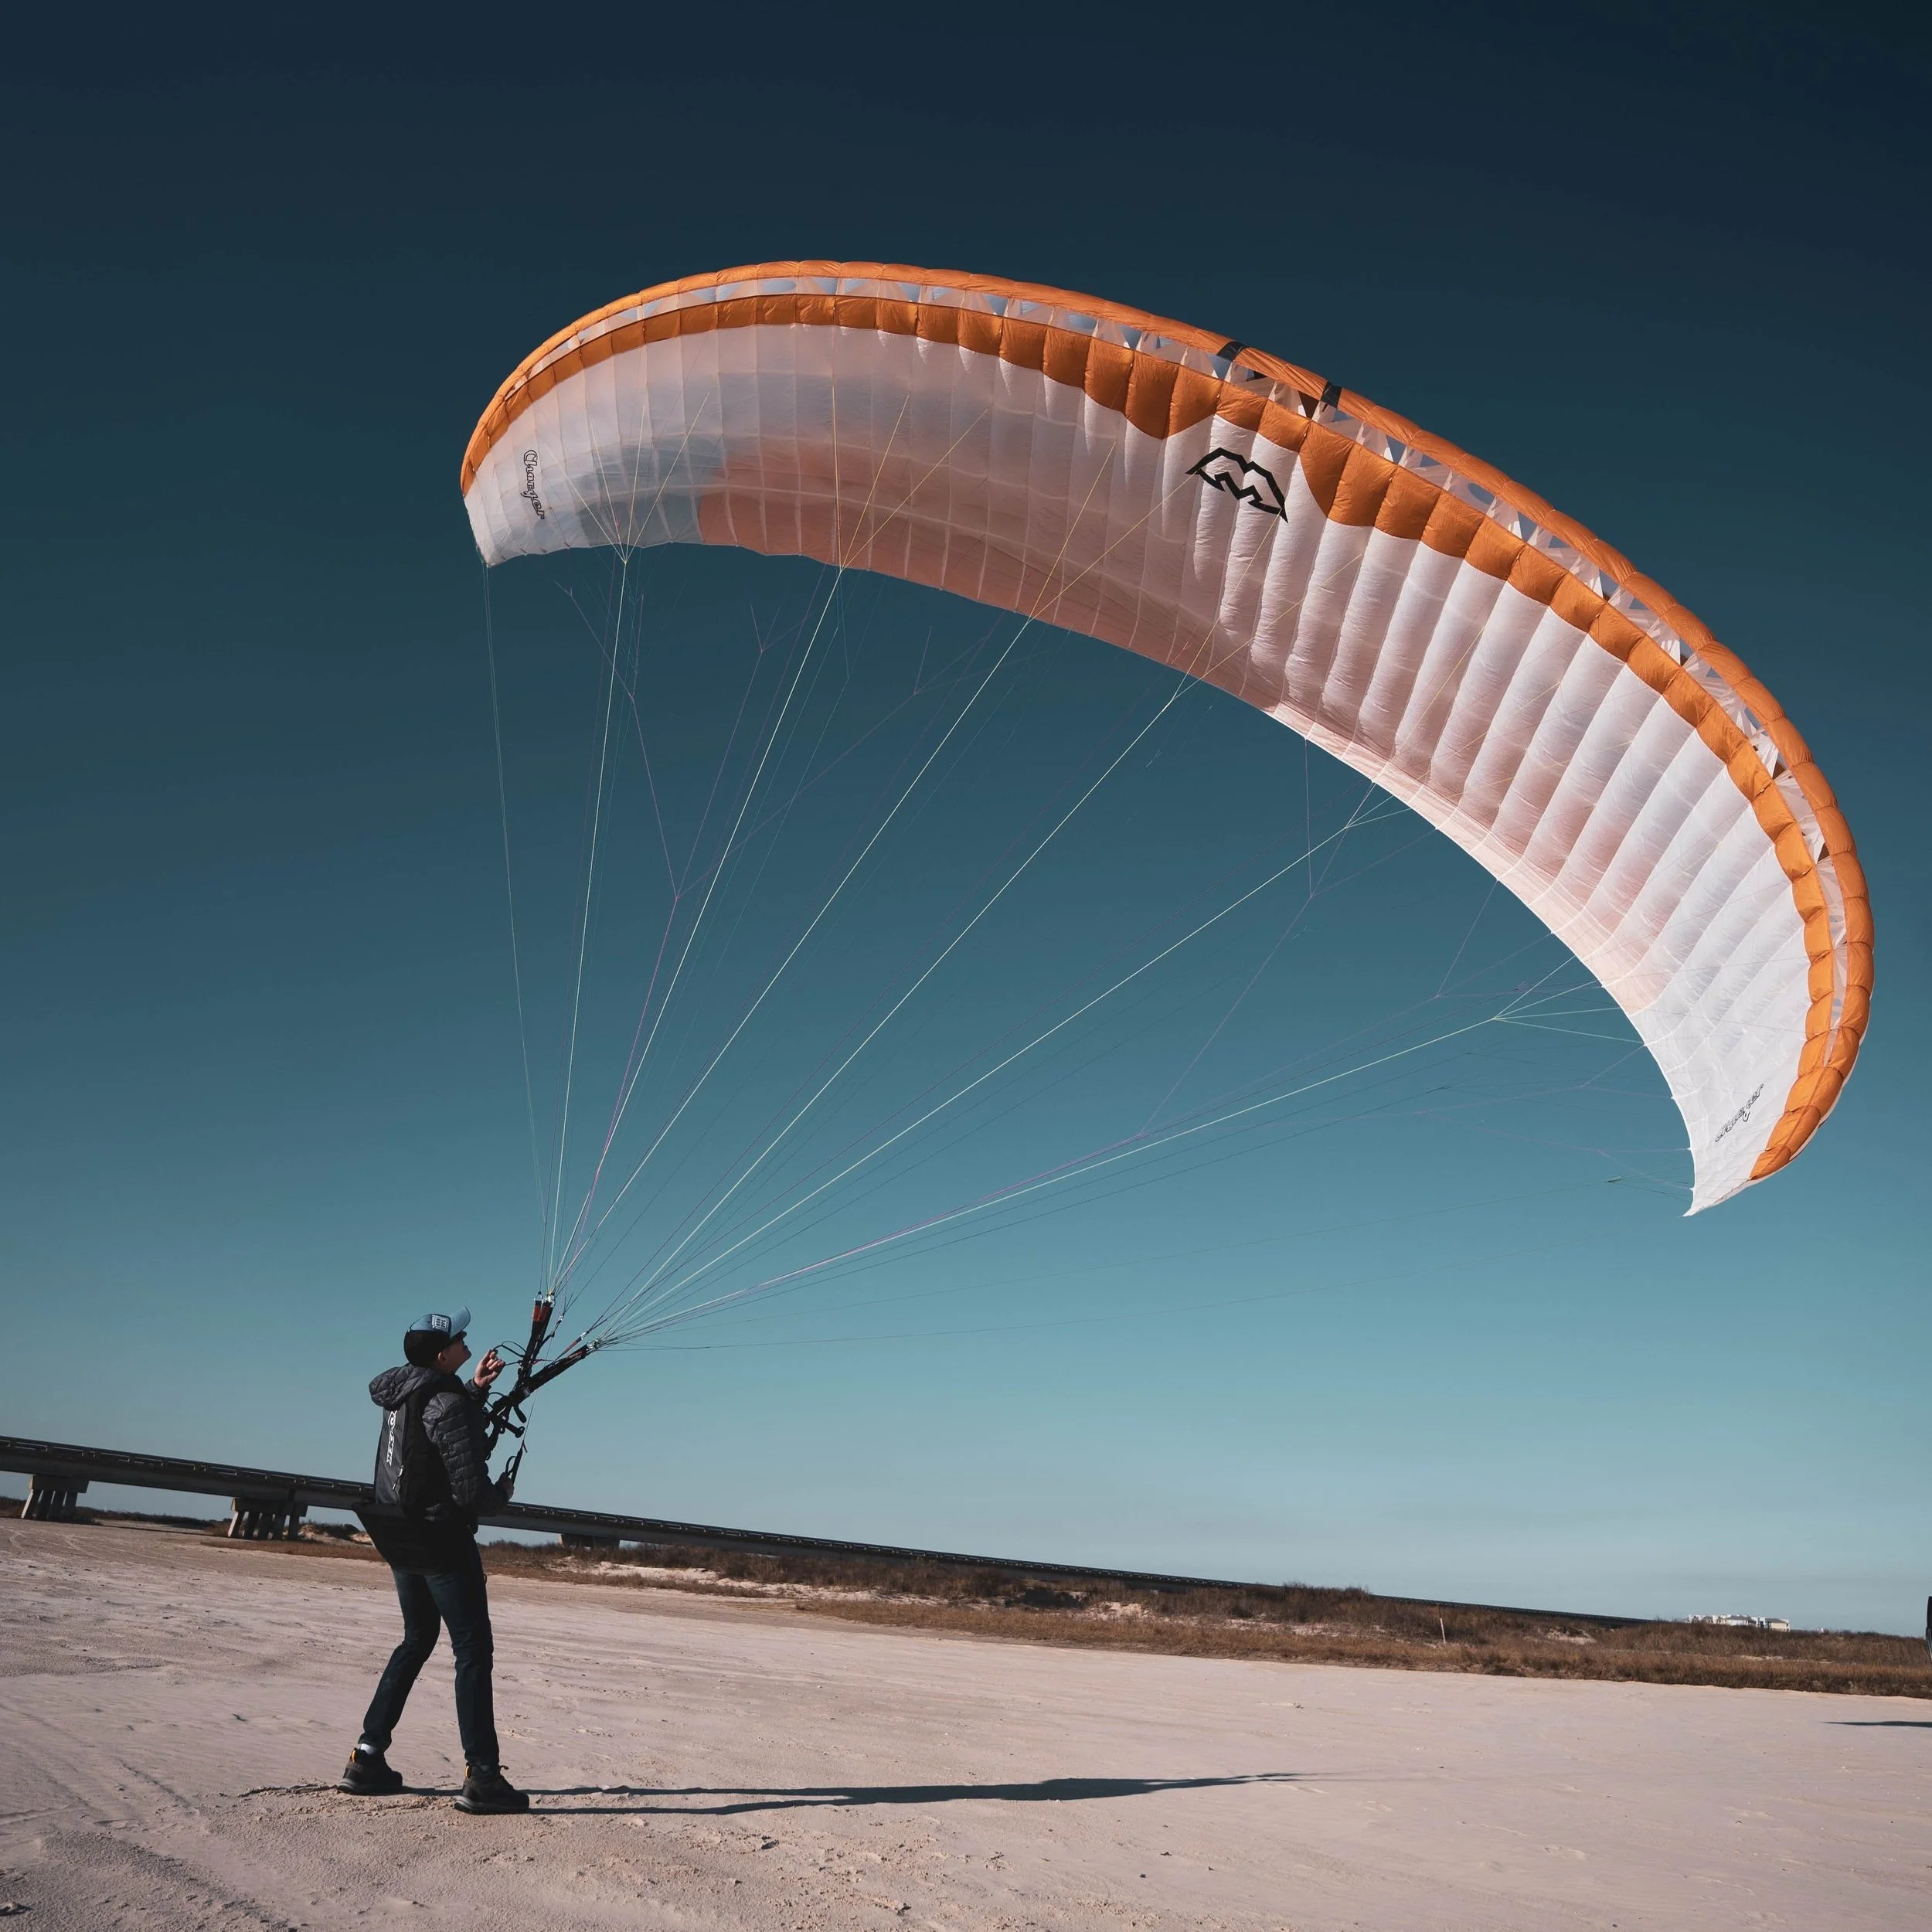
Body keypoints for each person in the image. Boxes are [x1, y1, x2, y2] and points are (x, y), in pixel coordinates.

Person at [338, 1307, 529, 1814]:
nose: (469, 1341)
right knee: (472, 1652)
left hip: (400, 1535)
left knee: (417, 1639)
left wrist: (477, 1389)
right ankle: (484, 1777)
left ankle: (366, 1756)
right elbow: (469, 1491)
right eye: (461, 1338)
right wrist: (502, 1493)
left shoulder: (405, 1393)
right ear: (443, 1354)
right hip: (442, 1539)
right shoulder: (446, 1401)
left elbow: (435, 1428)